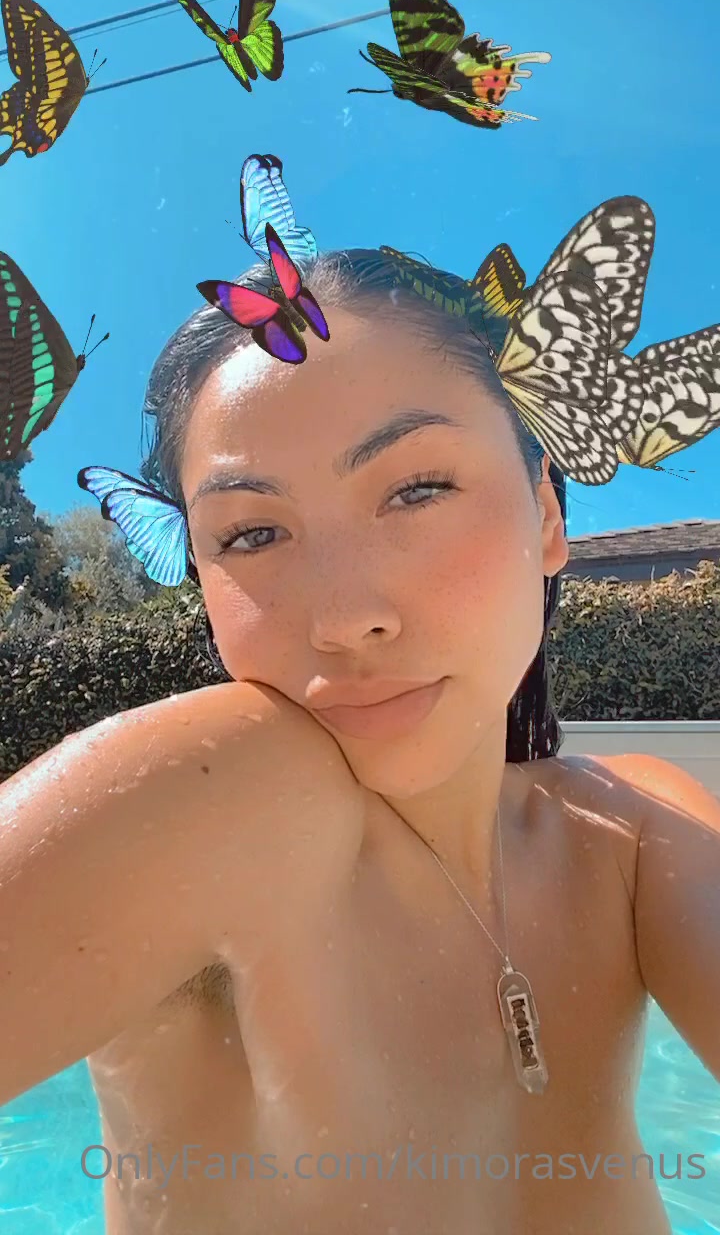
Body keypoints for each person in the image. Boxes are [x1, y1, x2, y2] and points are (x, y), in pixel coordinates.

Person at [1, 248, 718, 1235]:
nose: (345, 619)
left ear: (547, 512)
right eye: (252, 535)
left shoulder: (633, 832)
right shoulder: (221, 799)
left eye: (416, 488)